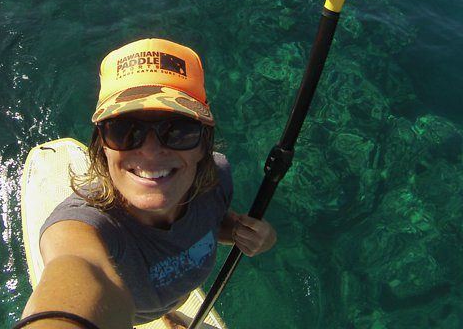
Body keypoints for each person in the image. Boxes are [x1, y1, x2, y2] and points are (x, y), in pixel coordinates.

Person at [20, 39, 277, 329]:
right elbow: (79, 267)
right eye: (124, 130)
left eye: (178, 130)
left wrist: (241, 232)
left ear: (203, 146)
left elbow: (211, 221)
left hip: (173, 301)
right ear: (102, 146)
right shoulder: (82, 227)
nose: (152, 152)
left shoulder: (216, 179)